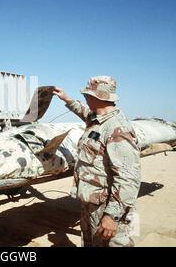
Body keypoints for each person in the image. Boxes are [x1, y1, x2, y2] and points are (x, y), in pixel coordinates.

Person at [52, 76, 141, 247]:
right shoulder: (97, 119)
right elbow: (84, 111)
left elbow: (128, 178)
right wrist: (66, 98)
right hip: (92, 204)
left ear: (97, 98)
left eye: (88, 95)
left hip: (107, 208)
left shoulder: (117, 129)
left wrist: (112, 216)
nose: (85, 97)